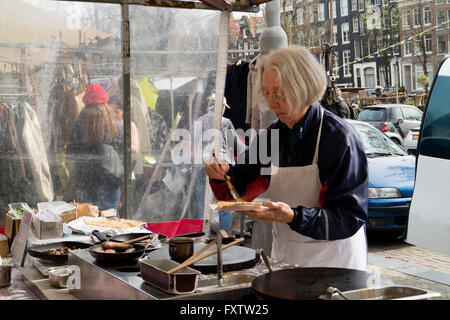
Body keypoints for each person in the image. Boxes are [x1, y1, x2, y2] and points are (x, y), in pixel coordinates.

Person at [205, 46, 369, 270]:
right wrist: (220, 175)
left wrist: (293, 216)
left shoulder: (339, 138)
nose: (272, 103)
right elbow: (236, 189)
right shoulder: (271, 138)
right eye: (267, 93)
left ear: (302, 88)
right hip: (286, 257)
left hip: (335, 261)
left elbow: (348, 216)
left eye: (279, 94)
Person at [192, 94, 247, 231]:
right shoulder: (225, 122)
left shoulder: (199, 121)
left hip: (202, 167)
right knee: (224, 205)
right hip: (221, 167)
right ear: (222, 107)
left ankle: (203, 238)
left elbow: (195, 147)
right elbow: (239, 147)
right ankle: (225, 240)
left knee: (203, 206)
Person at [65, 83, 123, 211]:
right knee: (109, 221)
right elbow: (125, 154)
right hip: (111, 181)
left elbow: (71, 153)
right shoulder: (116, 126)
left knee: (86, 221)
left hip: (86, 180)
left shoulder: (79, 125)